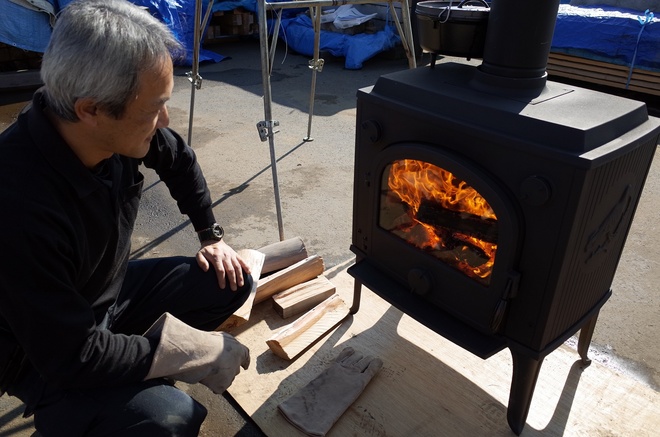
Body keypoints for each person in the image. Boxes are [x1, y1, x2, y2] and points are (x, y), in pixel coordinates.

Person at [0, 0, 255, 435]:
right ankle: (74, 413)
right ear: (91, 110)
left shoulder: (119, 131)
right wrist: (186, 351)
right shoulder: (17, 205)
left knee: (230, 280)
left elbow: (180, 160)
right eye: (155, 107)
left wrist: (210, 235)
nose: (165, 120)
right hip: (42, 350)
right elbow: (72, 354)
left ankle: (125, 380)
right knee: (169, 419)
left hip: (104, 295)